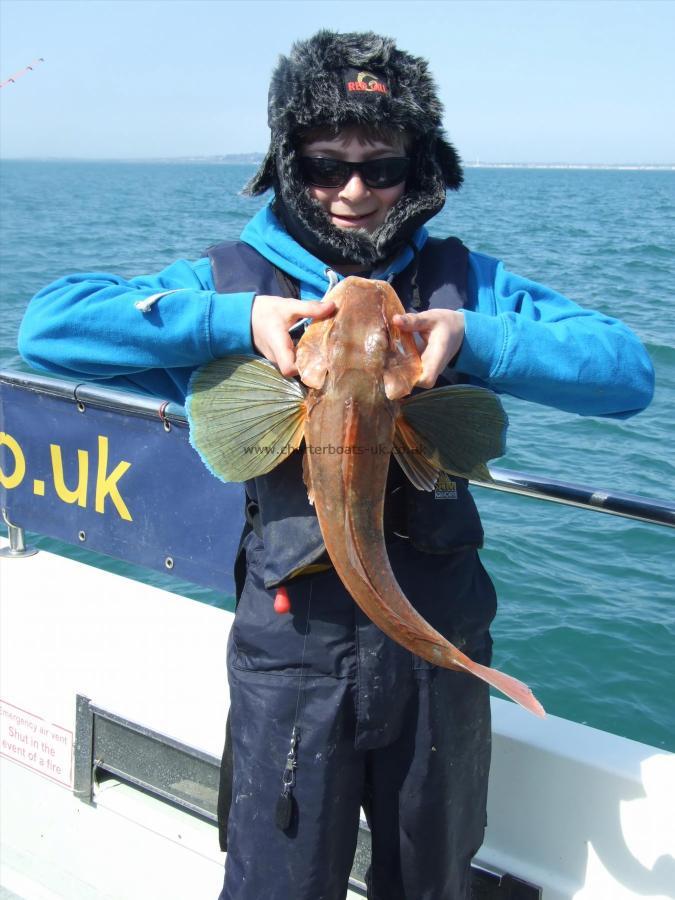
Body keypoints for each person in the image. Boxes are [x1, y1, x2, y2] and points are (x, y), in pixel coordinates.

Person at [19, 30, 653, 900]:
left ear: (418, 170)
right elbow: (48, 328)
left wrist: (474, 339)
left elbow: (625, 375)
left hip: (437, 649)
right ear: (285, 163)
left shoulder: (458, 284)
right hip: (295, 655)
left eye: (382, 166)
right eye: (323, 165)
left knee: (430, 879)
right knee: (278, 879)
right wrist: (234, 324)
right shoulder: (226, 279)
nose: (353, 191)